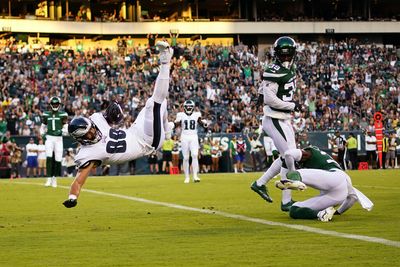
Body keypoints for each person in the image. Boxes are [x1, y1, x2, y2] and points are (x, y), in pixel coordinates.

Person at [63, 41, 173, 208]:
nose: (94, 131)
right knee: (155, 104)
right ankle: (165, 61)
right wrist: (72, 197)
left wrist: (114, 113)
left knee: (157, 103)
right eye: (90, 133)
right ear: (83, 139)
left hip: (135, 131)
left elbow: (112, 116)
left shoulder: (96, 121)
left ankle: (166, 128)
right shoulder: (88, 154)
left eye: (91, 128)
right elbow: (78, 181)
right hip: (147, 143)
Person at [251, 36, 299, 210]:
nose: (286, 58)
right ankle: (289, 191)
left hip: (284, 119)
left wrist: (259, 93)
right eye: (283, 55)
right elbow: (270, 99)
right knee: (289, 156)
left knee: (287, 156)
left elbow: (264, 88)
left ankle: (264, 185)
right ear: (277, 55)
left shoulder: (290, 67)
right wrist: (292, 105)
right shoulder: (273, 69)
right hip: (274, 118)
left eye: (289, 55)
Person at [276, 146, 373, 222]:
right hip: (338, 195)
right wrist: (338, 212)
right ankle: (321, 214)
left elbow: (289, 154)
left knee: (293, 173)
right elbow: (353, 198)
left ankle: (295, 181)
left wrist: (292, 168)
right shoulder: (343, 175)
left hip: (333, 177)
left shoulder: (312, 154)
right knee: (294, 209)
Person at [174, 100, 208, 183]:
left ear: (193, 108)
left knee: (195, 155)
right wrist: (176, 123)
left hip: (193, 136)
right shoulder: (180, 115)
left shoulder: (197, 114)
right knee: (185, 158)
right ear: (184, 108)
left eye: (190, 107)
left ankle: (195, 176)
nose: (189, 108)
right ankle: (187, 177)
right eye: (187, 107)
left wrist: (204, 123)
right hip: (184, 136)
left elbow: (200, 123)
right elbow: (177, 124)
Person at [41, 97, 68, 187]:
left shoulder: (63, 114)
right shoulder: (46, 114)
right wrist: (43, 135)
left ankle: (54, 178)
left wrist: (62, 131)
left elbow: (66, 128)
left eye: (57, 104)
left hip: (59, 139)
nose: (55, 105)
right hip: (49, 137)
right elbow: (42, 127)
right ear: (51, 104)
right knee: (48, 157)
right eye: (54, 104)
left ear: (59, 105)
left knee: (58, 159)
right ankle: (48, 178)